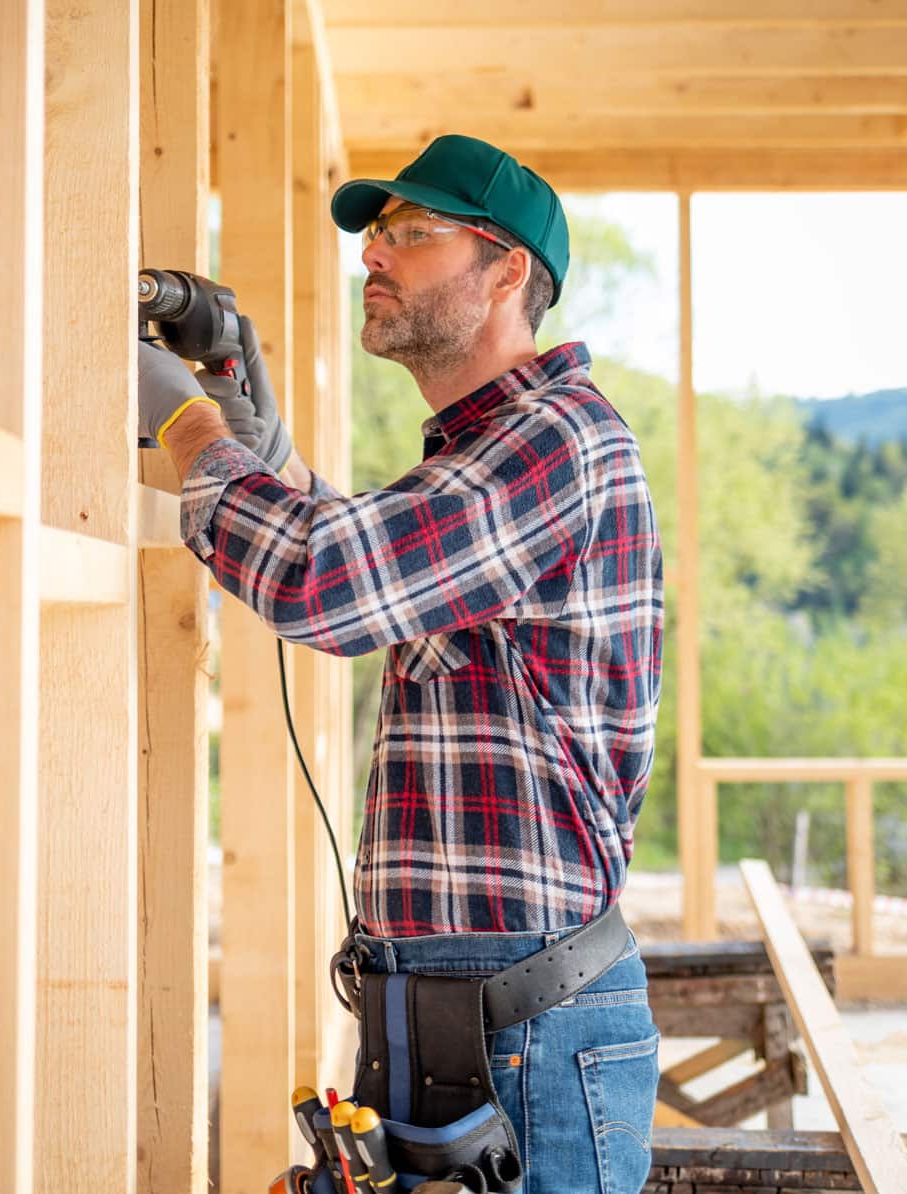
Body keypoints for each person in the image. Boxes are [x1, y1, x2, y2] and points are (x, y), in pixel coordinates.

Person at [135, 135, 662, 1193]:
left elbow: (329, 583)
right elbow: (376, 557)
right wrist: (260, 440)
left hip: (526, 1033)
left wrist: (191, 428)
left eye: (413, 236)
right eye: (376, 237)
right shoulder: (484, 454)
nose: (375, 258)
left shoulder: (559, 440)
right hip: (459, 1014)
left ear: (507, 270)